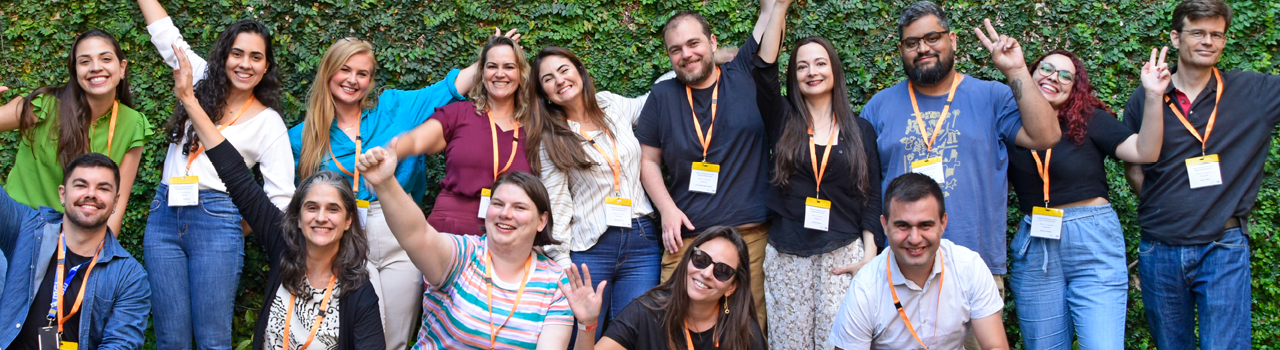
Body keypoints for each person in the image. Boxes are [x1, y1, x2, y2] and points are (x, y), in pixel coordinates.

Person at [287, 30, 502, 349]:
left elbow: (450, 88)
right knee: (355, 335)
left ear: (371, 81)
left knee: (397, 338)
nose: (352, 80)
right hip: (344, 238)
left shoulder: (395, 107)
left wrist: (491, 54)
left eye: (362, 73)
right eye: (345, 70)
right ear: (328, 72)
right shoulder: (301, 137)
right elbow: (291, 203)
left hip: (400, 232)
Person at [171, 48, 384, 349]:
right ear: (297, 216)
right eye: (311, 207)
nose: (321, 217)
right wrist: (190, 102)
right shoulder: (284, 249)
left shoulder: (358, 290)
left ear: (349, 220)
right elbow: (236, 175)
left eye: (333, 209)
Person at [858, 1, 1061, 308]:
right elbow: (865, 188)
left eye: (932, 38)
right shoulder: (878, 107)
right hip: (898, 270)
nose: (922, 49)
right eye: (911, 43)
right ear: (901, 50)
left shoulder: (992, 96)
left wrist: (1017, 70)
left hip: (974, 270)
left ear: (952, 40)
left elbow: (1046, 136)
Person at [138, 1, 297, 348]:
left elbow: (281, 197)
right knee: (170, 340)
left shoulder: (269, 123)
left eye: (256, 57)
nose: (245, 63)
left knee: (212, 340)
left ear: (266, 65)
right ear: (224, 56)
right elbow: (166, 35)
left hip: (218, 220)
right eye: (237, 53)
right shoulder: (200, 80)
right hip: (164, 214)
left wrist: (234, 226)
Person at [1122, 0, 1280, 348]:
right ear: (1176, 38)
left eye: (1217, 35)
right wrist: (1164, 200)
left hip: (1222, 246)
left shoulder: (1255, 92)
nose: (1208, 41)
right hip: (1159, 247)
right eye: (1198, 33)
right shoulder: (1147, 96)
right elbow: (1133, 164)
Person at [1004, 48, 1168, 349]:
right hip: (1036, 243)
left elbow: (1145, 152)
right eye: (1047, 69)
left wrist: (1154, 96)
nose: (1054, 77)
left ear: (1074, 86)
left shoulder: (1089, 118)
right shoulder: (1009, 121)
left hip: (1092, 240)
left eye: (1066, 75)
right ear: (1031, 72)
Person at [635, 0, 782, 326]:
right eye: (676, 49)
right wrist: (668, 209)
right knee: (673, 331)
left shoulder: (744, 73)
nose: (685, 54)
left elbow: (769, 22)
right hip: (688, 242)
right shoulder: (662, 97)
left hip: (750, 241)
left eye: (693, 43)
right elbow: (647, 160)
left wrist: (776, 6)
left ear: (712, 42)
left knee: (749, 331)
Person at [750, 0, 882, 346]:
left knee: (840, 343)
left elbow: (872, 194)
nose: (812, 72)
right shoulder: (782, 120)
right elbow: (763, 70)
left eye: (820, 63)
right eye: (802, 66)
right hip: (787, 254)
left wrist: (870, 255)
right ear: (794, 76)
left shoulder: (861, 130)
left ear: (834, 70)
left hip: (844, 254)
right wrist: (778, 8)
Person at [358, 143, 574, 349]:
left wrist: (587, 325)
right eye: (497, 204)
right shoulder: (463, 254)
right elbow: (417, 234)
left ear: (541, 221)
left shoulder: (555, 282)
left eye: (519, 207)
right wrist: (385, 184)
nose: (505, 213)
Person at [526, 46, 668, 339]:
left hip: (641, 243)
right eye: (548, 79)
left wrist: (703, 59)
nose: (559, 80)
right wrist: (564, 264)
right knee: (579, 334)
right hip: (590, 248)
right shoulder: (550, 137)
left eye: (564, 70)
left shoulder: (611, 105)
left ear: (579, 72)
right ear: (544, 93)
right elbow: (556, 205)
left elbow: (654, 99)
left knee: (632, 336)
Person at [828, 173, 1007, 350]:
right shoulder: (865, 286)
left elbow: (995, 346)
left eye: (925, 225)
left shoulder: (969, 268)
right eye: (903, 226)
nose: (914, 239)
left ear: (943, 223)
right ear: (885, 225)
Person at [0, 30, 153, 236]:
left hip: (70, 238)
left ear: (122, 67)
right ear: (75, 71)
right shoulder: (44, 106)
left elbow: (117, 202)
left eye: (105, 59)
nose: (96, 67)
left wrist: (99, 255)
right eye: (84, 62)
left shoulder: (134, 124)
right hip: (14, 226)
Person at [0, 153, 151, 349]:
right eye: (81, 185)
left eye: (103, 188)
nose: (91, 194)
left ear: (115, 201)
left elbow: (121, 344)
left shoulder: (130, 276)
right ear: (62, 194)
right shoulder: (26, 230)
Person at [394, 35, 533, 237]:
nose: (500, 74)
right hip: (450, 233)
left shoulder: (534, 126)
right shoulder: (459, 113)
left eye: (509, 67)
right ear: (482, 72)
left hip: (510, 234)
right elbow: (416, 140)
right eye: (492, 66)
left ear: (521, 74)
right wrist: (391, 153)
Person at [561, 226, 767, 350]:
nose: (706, 273)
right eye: (701, 259)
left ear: (732, 287)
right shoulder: (646, 312)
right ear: (688, 260)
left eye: (722, 270)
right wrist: (587, 324)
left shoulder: (744, 331)